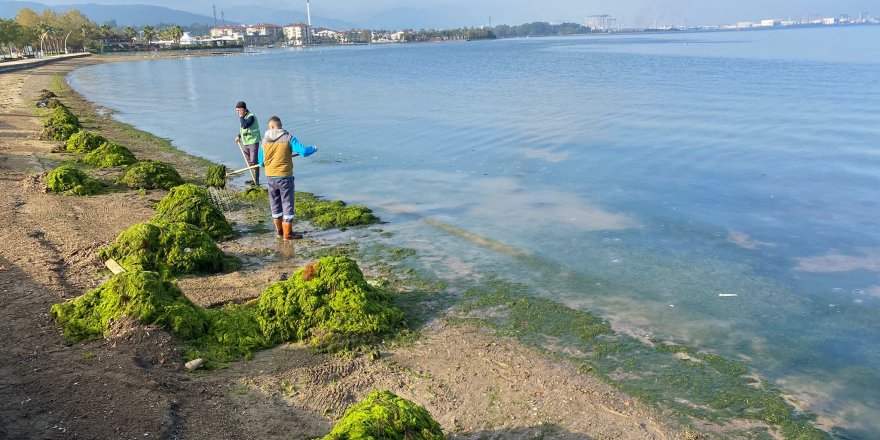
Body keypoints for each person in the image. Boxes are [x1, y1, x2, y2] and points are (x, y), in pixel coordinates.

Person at [258, 115, 318, 240]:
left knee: (275, 203)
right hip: (284, 176)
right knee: (287, 204)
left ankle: (279, 232)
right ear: (280, 126)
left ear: (271, 127)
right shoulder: (288, 138)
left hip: (270, 176)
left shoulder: (264, 141)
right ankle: (288, 234)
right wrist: (314, 148)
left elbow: (261, 162)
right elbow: (304, 151)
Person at [234, 101, 261, 186]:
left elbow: (245, 125)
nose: (237, 112)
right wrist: (239, 136)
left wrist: (241, 117)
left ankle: (256, 181)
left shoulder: (251, 116)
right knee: (249, 162)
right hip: (246, 142)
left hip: (253, 141)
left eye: (238, 110)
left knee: (254, 162)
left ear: (243, 109)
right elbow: (243, 129)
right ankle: (252, 178)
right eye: (236, 110)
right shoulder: (243, 117)